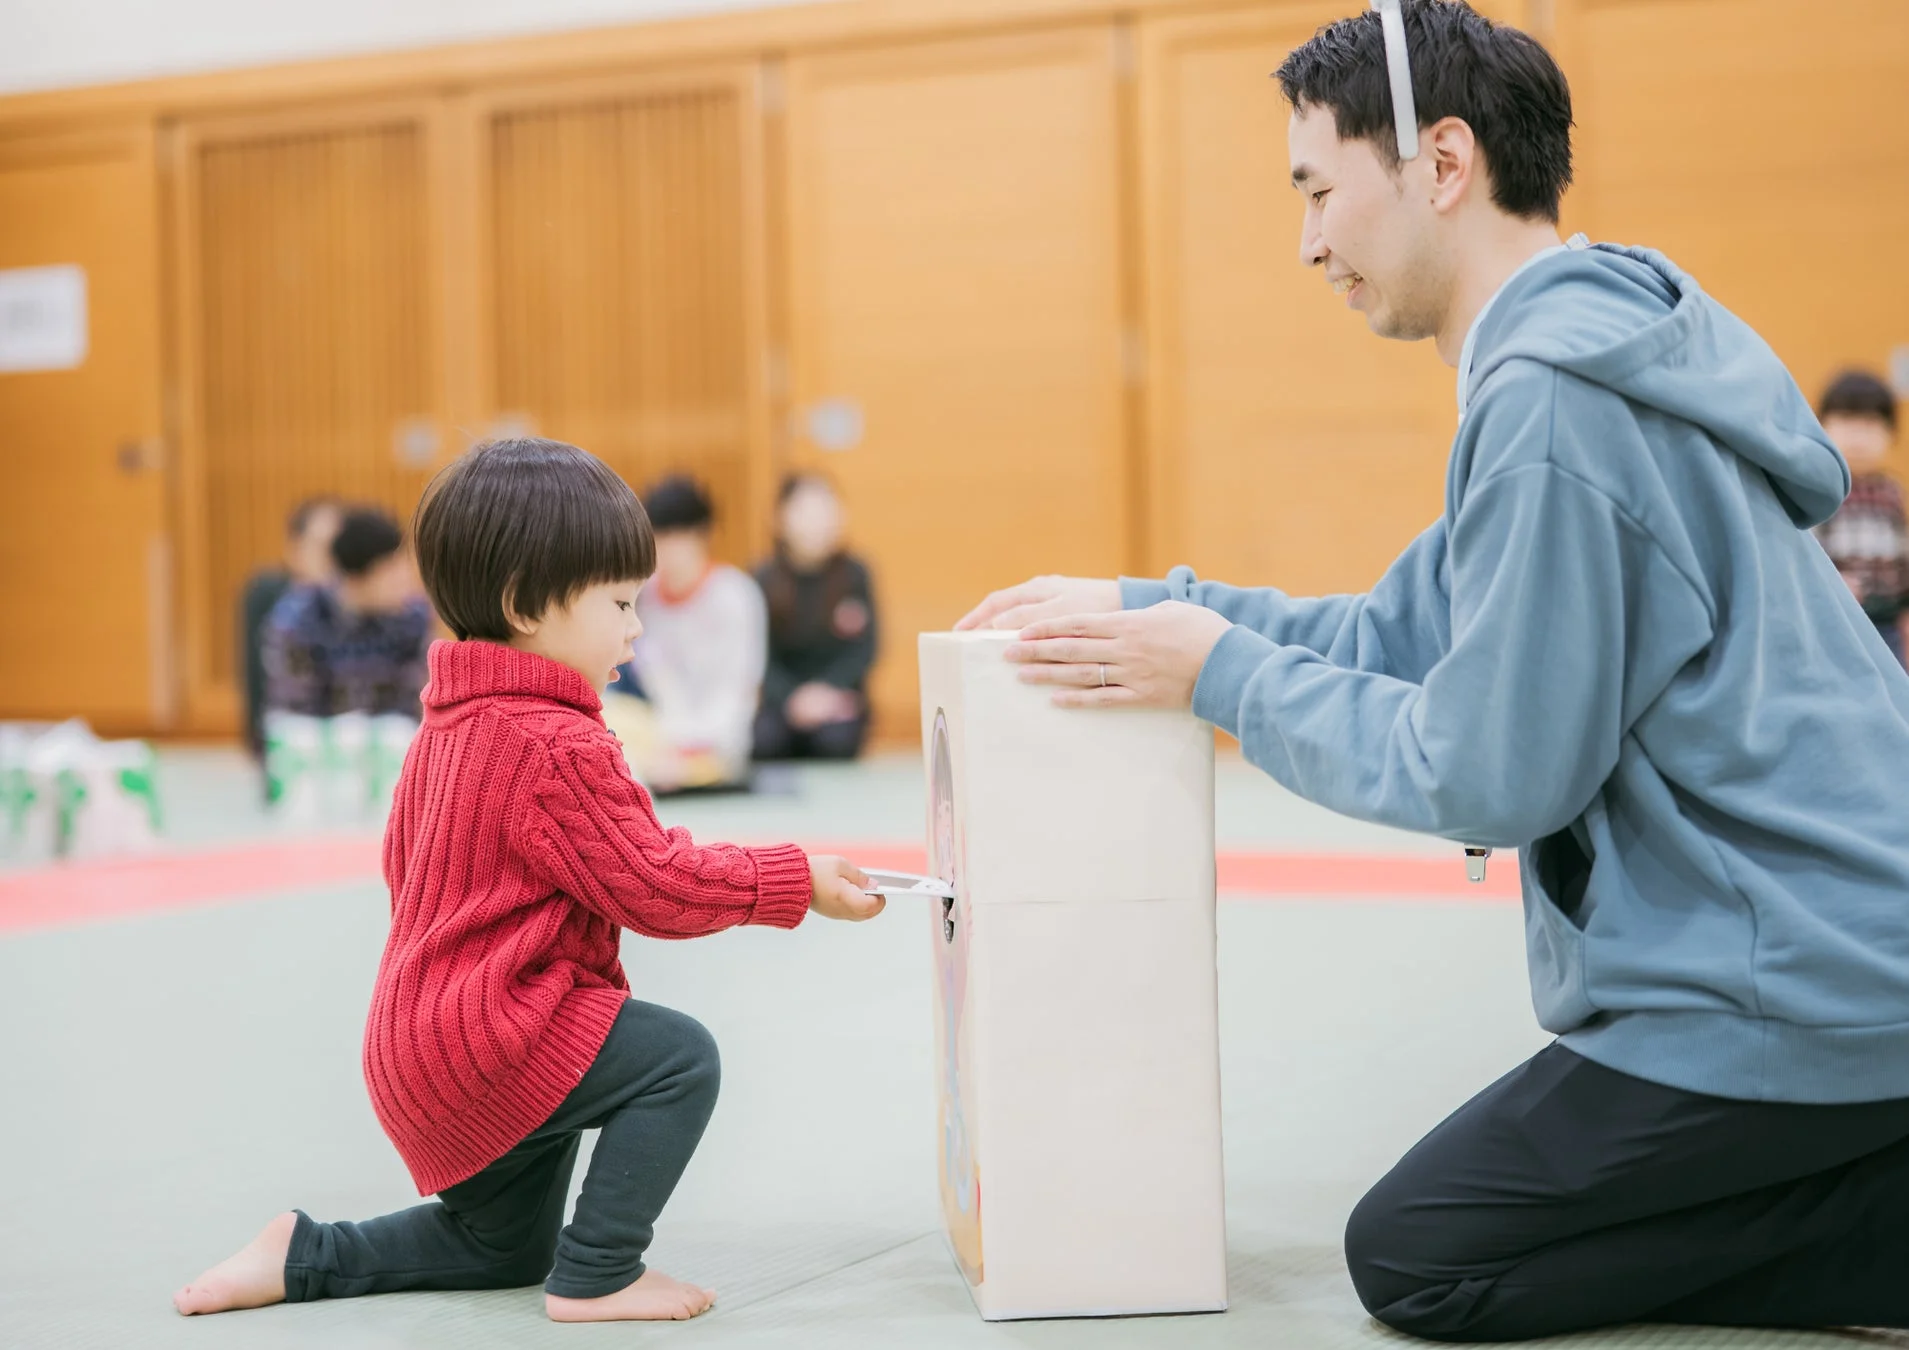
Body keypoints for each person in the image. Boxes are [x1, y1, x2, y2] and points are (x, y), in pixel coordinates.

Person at [958, 1, 1909, 1339]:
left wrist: (1216, 671)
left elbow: (1487, 770)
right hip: (1858, 950)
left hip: (1806, 974)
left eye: (1317, 189)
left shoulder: (1550, 401)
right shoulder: (1601, 352)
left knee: (1419, 1256)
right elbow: (1399, 634)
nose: (1306, 241)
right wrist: (1146, 610)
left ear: (1441, 164)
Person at [172, 438, 883, 1324]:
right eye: (620, 602)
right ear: (523, 604)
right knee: (676, 1060)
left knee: (498, 1245)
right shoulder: (554, 740)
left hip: (421, 1041)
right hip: (495, 1033)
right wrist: (792, 880)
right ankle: (601, 1273)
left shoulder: (449, 725)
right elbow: (655, 884)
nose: (636, 627)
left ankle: (307, 1253)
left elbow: (407, 868)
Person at [608, 476, 766, 793]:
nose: (669, 549)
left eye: (680, 536)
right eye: (661, 536)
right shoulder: (644, 597)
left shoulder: (735, 596)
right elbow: (655, 680)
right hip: (659, 737)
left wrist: (693, 747)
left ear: (702, 535)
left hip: (715, 743)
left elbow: (738, 690)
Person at [261, 507, 433, 721]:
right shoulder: (299, 620)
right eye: (390, 570)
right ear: (356, 578)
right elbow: (292, 712)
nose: (405, 579)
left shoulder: (412, 618)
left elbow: (413, 706)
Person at [752, 474, 878, 761]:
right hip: (782, 703)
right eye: (806, 511)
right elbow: (759, 655)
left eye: (825, 510)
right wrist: (792, 699)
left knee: (835, 742)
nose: (817, 522)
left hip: (839, 701)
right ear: (780, 518)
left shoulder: (856, 575)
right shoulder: (764, 578)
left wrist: (828, 693)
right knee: (765, 742)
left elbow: (865, 650)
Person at [1813, 369, 1907, 666]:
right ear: (1823, 427)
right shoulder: (1821, 489)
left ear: (1890, 433)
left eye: (1869, 424)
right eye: (1846, 422)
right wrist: (1831, 581)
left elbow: (1902, 550)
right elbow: (1808, 549)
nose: (1858, 436)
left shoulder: (1892, 493)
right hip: (1836, 615)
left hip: (1886, 621)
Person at [238, 497, 342, 763]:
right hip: (293, 744)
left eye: (339, 547)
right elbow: (254, 679)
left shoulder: (359, 606)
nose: (333, 558)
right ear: (294, 550)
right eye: (323, 546)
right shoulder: (273, 601)